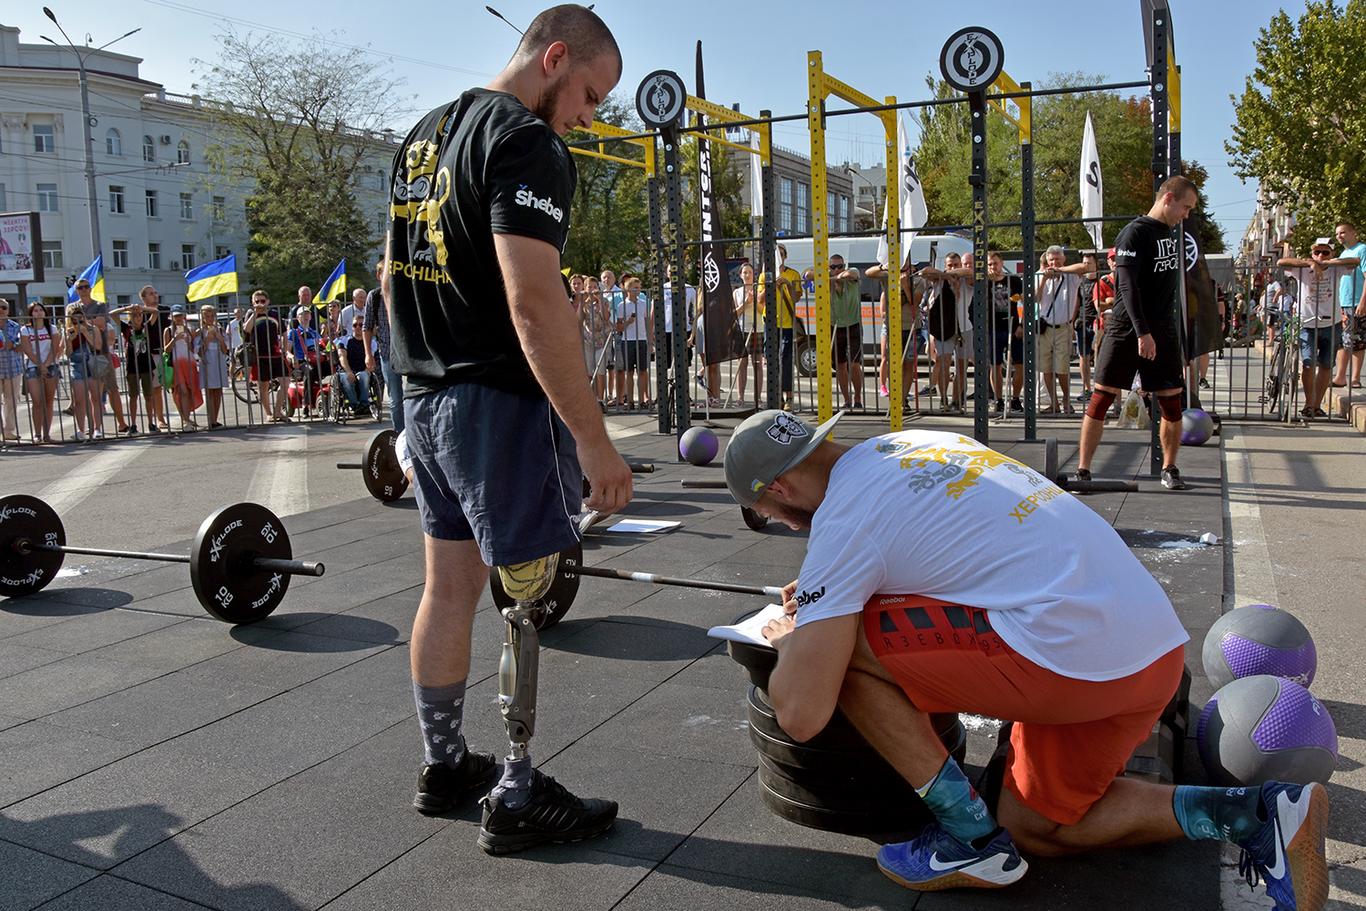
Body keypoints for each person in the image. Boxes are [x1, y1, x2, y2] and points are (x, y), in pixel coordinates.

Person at [722, 408, 1329, 909]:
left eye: (770, 514)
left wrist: (800, 638)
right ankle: (1258, 815)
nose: (786, 526)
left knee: (842, 654)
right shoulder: (917, 442)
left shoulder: (843, 520)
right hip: (1151, 652)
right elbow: (951, 551)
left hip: (1066, 658)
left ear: (778, 490)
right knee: (1039, 826)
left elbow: (802, 713)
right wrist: (830, 594)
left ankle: (969, 838)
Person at [385, 3, 629, 854]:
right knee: (525, 592)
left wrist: (404, 405)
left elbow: (392, 277)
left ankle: (444, 763)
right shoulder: (526, 143)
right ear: (555, 57)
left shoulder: (423, 134)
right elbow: (534, 300)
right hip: (493, 399)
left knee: (448, 587)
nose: (588, 118)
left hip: (429, 395)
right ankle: (517, 787)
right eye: (590, 95)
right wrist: (593, 439)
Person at [1080, 176, 1199, 490]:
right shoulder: (1134, 233)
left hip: (1162, 328)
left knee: (1171, 400)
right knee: (1102, 397)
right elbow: (1128, 287)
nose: (1186, 215)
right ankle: (1083, 470)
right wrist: (1142, 332)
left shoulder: (1169, 233)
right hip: (1126, 326)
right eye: (1185, 207)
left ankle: (1170, 468)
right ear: (1168, 198)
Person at [1277, 237, 1345, 419]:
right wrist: (1310, 263)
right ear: (1312, 253)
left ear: (1332, 254)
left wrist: (1328, 263)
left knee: (1326, 365)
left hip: (1332, 324)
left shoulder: (1336, 269)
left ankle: (1316, 405)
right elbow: (1281, 262)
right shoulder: (1302, 269)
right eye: (1317, 252)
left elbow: (1355, 261)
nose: (1320, 255)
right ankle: (1308, 404)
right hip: (1307, 323)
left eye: (1325, 252)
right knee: (1308, 364)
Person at [69, 278, 126, 438]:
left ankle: (122, 423)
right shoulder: (72, 307)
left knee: (112, 388)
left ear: (90, 288)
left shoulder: (100, 304)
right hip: (80, 353)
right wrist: (85, 322)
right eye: (80, 287)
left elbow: (101, 323)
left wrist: (81, 322)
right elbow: (69, 325)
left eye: (86, 286)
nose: (84, 289)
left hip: (101, 352)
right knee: (88, 394)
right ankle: (92, 427)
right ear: (76, 290)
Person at [1035, 245, 1088, 414]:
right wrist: (1044, 280)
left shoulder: (1070, 276)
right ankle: (1054, 403)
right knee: (1046, 368)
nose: (1054, 263)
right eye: (1051, 260)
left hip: (1063, 327)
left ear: (1063, 259)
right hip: (1045, 328)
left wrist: (1060, 270)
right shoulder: (1040, 275)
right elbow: (1035, 299)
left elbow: (1085, 267)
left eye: (1057, 259)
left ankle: (1066, 401)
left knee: (1062, 368)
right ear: (1047, 260)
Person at [866, 260, 920, 413]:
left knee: (908, 364)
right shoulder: (888, 276)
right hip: (892, 327)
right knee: (893, 363)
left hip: (910, 327)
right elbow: (868, 273)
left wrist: (905, 286)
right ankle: (895, 397)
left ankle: (903, 399)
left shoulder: (918, 280)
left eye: (906, 265)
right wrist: (884, 266)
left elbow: (914, 303)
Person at [811, 254, 863, 410]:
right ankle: (847, 400)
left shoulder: (851, 274)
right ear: (828, 267)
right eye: (833, 267)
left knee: (854, 364)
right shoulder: (826, 278)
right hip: (834, 326)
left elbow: (851, 274)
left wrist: (837, 277)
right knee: (840, 365)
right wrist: (827, 277)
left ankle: (858, 397)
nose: (837, 269)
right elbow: (807, 274)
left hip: (853, 324)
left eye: (840, 266)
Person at [920, 252, 969, 413]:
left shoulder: (965, 278)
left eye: (956, 265)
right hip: (943, 328)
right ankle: (943, 399)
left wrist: (955, 275)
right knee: (943, 363)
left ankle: (957, 400)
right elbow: (925, 271)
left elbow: (970, 272)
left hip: (964, 327)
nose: (953, 268)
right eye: (950, 265)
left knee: (961, 366)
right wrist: (946, 276)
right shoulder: (939, 279)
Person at [757, 243, 804, 410]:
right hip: (770, 322)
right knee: (771, 359)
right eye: (776, 254)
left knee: (786, 359)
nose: (779, 257)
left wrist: (788, 285)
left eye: (782, 254)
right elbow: (760, 299)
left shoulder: (793, 274)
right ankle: (776, 397)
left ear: (785, 256)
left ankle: (788, 397)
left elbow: (796, 298)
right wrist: (770, 285)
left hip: (787, 323)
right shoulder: (764, 276)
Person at [118, 289, 165, 435]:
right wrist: (128, 308)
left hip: (146, 366)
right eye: (134, 316)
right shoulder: (127, 329)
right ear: (130, 317)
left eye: (139, 315)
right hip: (132, 367)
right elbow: (112, 314)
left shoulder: (146, 327)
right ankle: (133, 424)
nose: (137, 318)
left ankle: (151, 423)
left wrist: (142, 308)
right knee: (133, 396)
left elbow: (155, 312)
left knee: (149, 396)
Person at [983, 251, 1024, 415]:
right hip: (993, 327)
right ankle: (998, 400)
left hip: (1013, 326)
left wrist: (1021, 324)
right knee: (995, 365)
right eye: (990, 264)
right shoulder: (984, 282)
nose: (993, 267)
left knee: (1020, 364)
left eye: (995, 263)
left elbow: (1024, 301)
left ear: (1002, 263)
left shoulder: (1013, 280)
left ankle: (1015, 399)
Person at [364, 259, 403, 431]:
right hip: (387, 353)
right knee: (395, 398)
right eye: (385, 273)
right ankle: (400, 434)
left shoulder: (403, 292)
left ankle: (414, 434)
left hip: (408, 353)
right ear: (379, 275)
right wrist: (368, 354)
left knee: (413, 395)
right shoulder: (374, 297)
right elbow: (367, 327)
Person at [242, 289, 289, 423]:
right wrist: (255, 313)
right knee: (263, 386)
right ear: (252, 302)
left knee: (285, 382)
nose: (260, 303)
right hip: (259, 355)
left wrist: (285, 349)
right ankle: (269, 414)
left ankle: (278, 410)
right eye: (257, 301)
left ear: (268, 301)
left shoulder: (274, 314)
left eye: (262, 301)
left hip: (275, 353)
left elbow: (284, 332)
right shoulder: (250, 314)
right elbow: (246, 330)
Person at [20, 302, 63, 443]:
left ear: (45, 312)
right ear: (30, 314)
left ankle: (47, 434)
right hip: (33, 367)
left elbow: (55, 348)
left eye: (41, 310)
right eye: (35, 310)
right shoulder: (26, 330)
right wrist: (40, 365)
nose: (38, 313)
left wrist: (46, 365)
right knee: (37, 402)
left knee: (49, 401)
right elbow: (27, 349)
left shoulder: (52, 328)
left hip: (51, 365)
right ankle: (37, 434)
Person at [1331, 221, 1365, 389]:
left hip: (1356, 302)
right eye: (1337, 234)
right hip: (1343, 303)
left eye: (1343, 232)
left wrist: (1363, 302)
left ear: (1353, 232)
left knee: (1357, 342)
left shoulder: (1362, 249)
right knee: (1342, 341)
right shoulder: (1344, 253)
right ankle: (1340, 376)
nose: (1339, 236)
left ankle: (1355, 378)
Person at [64, 302, 103, 443]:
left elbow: (97, 346)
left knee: (96, 398)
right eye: (74, 317)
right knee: (79, 400)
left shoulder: (92, 329)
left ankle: (97, 429)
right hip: (77, 366)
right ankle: (81, 430)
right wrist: (70, 340)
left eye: (79, 316)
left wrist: (85, 332)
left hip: (92, 364)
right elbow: (67, 354)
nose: (77, 320)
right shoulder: (68, 331)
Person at [163, 306, 203, 430]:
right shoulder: (168, 330)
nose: (179, 318)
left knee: (189, 391)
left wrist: (188, 340)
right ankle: (185, 420)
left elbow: (192, 348)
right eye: (176, 316)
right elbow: (166, 349)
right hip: (176, 363)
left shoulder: (187, 329)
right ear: (172, 317)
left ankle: (186, 418)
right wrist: (175, 339)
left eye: (180, 315)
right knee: (182, 391)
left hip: (189, 362)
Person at [614, 276, 650, 409]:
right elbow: (618, 327)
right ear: (628, 289)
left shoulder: (643, 303)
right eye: (635, 288)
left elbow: (647, 322)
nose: (638, 290)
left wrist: (650, 340)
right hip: (627, 341)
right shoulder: (621, 305)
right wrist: (628, 322)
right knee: (629, 371)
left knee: (642, 371)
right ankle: (630, 401)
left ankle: (641, 400)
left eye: (639, 288)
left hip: (641, 340)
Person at [732, 261, 764, 405]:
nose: (747, 275)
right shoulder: (737, 292)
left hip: (757, 329)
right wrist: (745, 302)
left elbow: (762, 310)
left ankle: (758, 397)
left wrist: (754, 301)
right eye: (745, 272)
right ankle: (740, 397)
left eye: (750, 272)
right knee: (742, 365)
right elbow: (734, 313)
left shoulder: (759, 289)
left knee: (757, 364)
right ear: (740, 275)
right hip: (741, 330)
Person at [286, 305, 327, 415]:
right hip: (302, 362)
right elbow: (287, 351)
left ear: (311, 317)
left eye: (308, 314)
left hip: (317, 360)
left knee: (335, 367)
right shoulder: (293, 332)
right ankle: (306, 403)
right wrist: (292, 357)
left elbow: (323, 346)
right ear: (297, 317)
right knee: (309, 371)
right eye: (303, 314)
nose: (306, 316)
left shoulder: (314, 333)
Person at [198, 304, 228, 429]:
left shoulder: (220, 330)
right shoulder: (200, 332)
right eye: (207, 316)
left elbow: (225, 350)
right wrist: (208, 339)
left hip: (219, 362)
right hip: (207, 363)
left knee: (218, 391)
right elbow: (199, 352)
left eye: (212, 316)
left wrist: (220, 338)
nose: (210, 319)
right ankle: (211, 420)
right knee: (210, 391)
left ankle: (215, 419)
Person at [1076, 253, 1100, 403]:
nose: (1087, 266)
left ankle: (1099, 389)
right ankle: (1086, 389)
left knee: (1099, 357)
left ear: (1096, 264)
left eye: (1089, 263)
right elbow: (1076, 302)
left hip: (1099, 322)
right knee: (1083, 356)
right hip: (1083, 322)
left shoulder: (1101, 280)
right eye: (1084, 263)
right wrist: (1072, 321)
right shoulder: (1080, 282)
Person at [337, 314, 372, 415]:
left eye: (361, 325)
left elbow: (373, 359)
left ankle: (364, 404)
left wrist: (367, 370)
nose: (358, 327)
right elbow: (342, 357)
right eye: (355, 325)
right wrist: (349, 371)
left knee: (364, 376)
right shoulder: (345, 341)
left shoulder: (370, 342)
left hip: (362, 370)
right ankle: (354, 405)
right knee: (346, 378)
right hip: (346, 370)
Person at [0, 299, 22, 442]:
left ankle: (9, 431)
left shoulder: (15, 326)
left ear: (8, 310)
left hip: (13, 368)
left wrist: (13, 345)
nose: (1, 310)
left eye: (4, 307)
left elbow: (22, 345)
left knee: (12, 401)